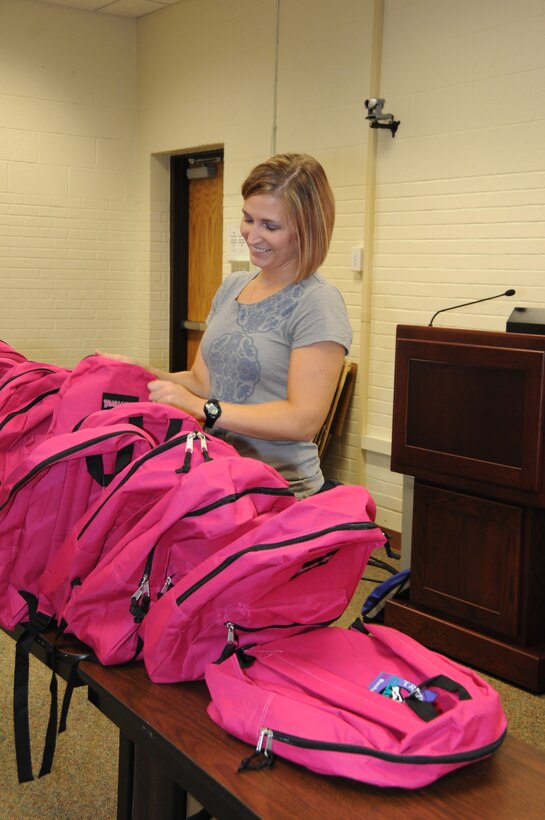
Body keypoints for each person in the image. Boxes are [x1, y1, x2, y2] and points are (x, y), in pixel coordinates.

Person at [102, 153, 352, 496]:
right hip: (217, 474)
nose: (252, 234)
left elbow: (302, 420)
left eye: (271, 225)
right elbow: (201, 382)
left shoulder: (318, 302)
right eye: (249, 219)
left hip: (279, 488)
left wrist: (207, 410)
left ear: (305, 230)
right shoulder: (233, 288)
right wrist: (139, 372)